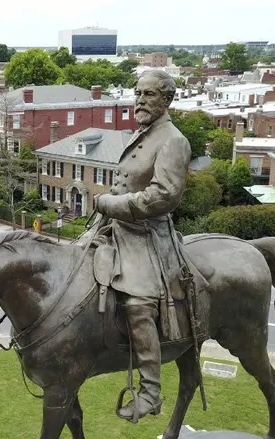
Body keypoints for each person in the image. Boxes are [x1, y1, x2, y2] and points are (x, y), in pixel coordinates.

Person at [77, 70, 192, 421]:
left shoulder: (173, 140)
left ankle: (151, 392)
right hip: (113, 226)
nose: (140, 100)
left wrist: (111, 205)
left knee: (139, 303)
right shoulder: (143, 133)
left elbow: (164, 196)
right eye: (137, 93)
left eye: (149, 95)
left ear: (167, 99)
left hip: (146, 234)